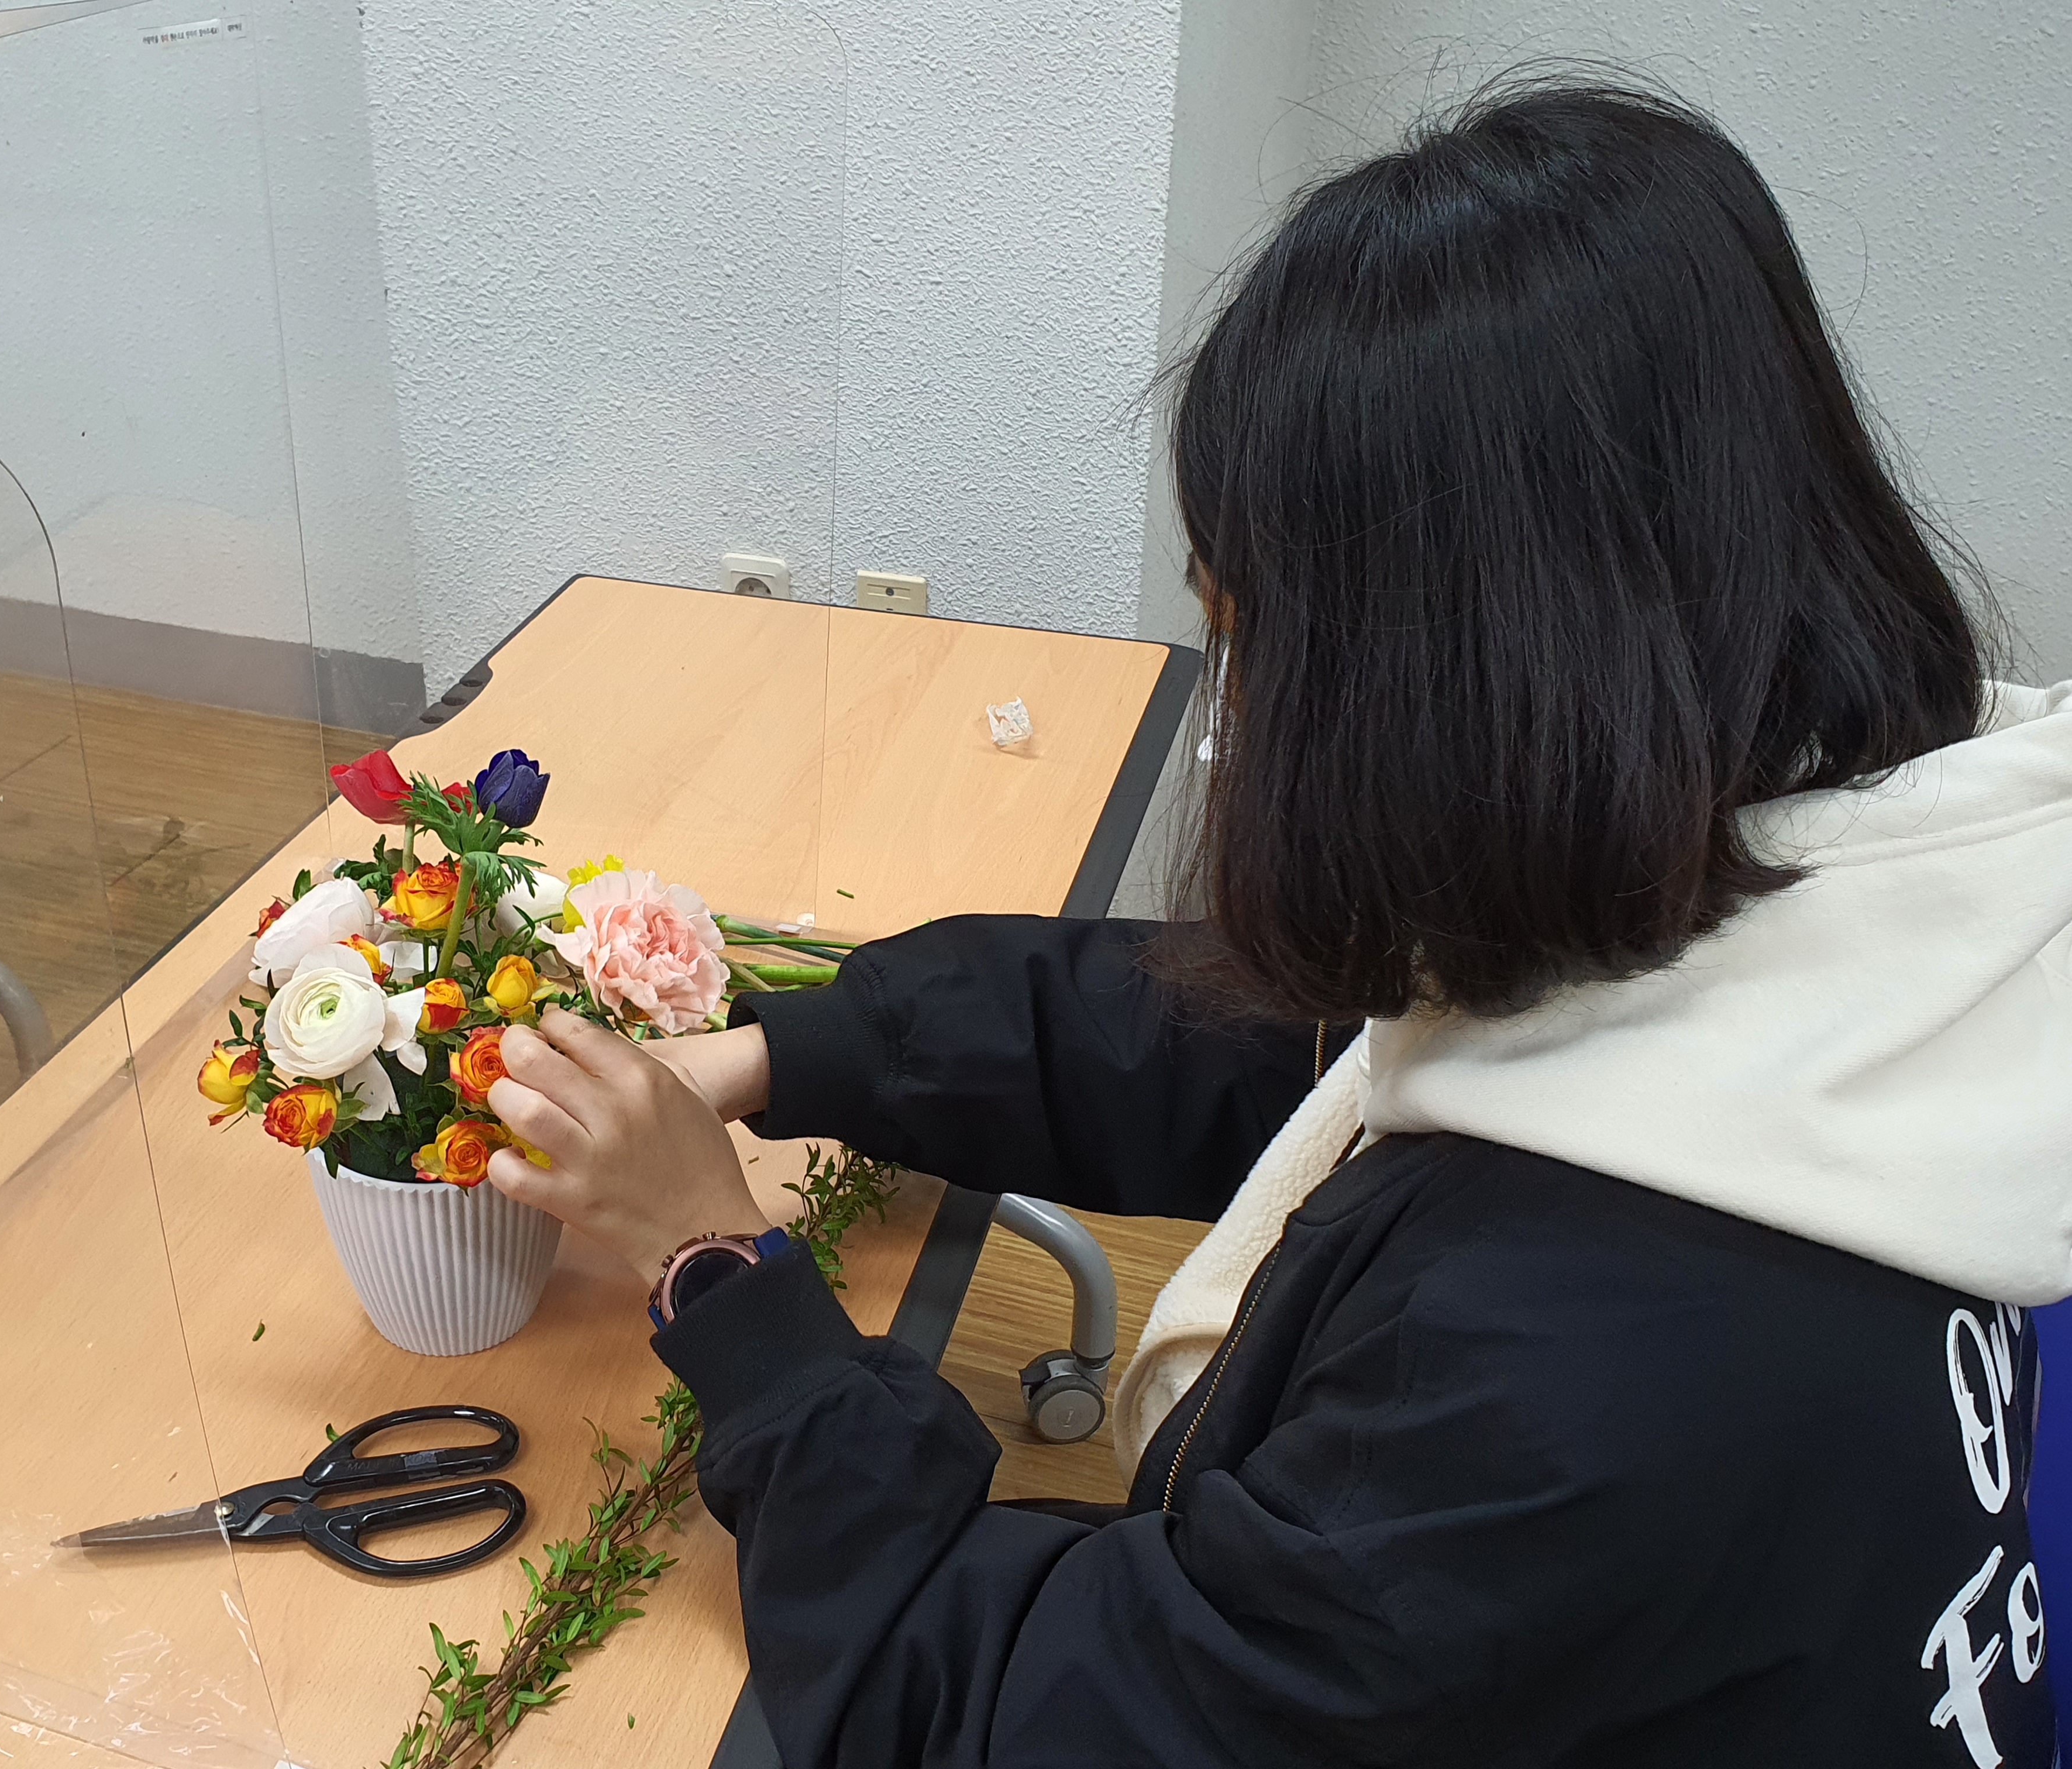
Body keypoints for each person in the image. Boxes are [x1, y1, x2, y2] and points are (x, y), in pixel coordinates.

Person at [480, 80, 2071, 1767]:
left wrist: (721, 1276)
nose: (1246, 713)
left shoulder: (1555, 1375)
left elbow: (992, 1716)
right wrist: (785, 1050)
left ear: (1451, 680)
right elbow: (1272, 1037)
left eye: (1255, 643)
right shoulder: (1841, 889)